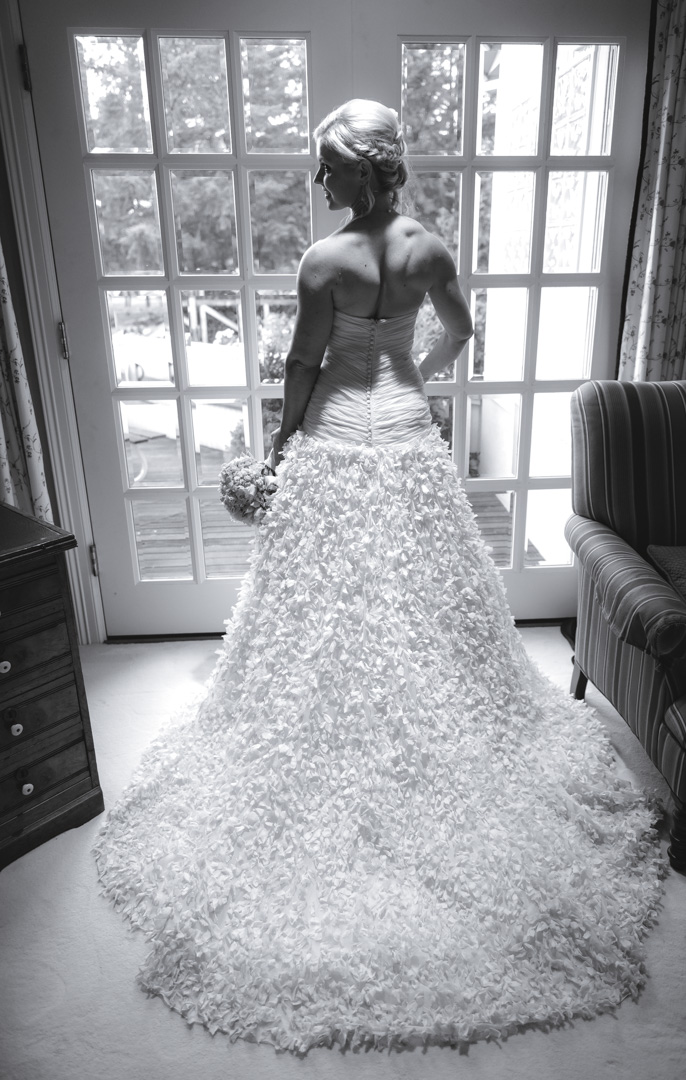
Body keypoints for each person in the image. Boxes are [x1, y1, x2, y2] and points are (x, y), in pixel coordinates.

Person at [94, 100, 663, 1053]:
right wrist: (413, 373)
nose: (318, 181)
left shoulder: (326, 261)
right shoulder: (429, 249)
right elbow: (461, 330)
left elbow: (304, 364)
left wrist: (280, 446)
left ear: (363, 170)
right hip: (402, 428)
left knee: (325, 598)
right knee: (428, 596)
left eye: (326, 167)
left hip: (336, 434)